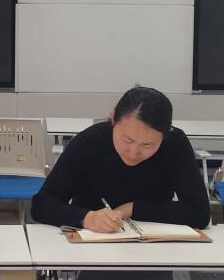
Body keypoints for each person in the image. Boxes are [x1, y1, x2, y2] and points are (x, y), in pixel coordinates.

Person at [31, 85, 210, 232]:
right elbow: (42, 204)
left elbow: (199, 212)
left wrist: (131, 209)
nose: (133, 152)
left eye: (147, 145)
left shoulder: (175, 144)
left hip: (154, 247)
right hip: (92, 245)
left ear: (165, 134)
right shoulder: (89, 142)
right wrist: (87, 218)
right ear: (113, 117)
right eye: (127, 140)